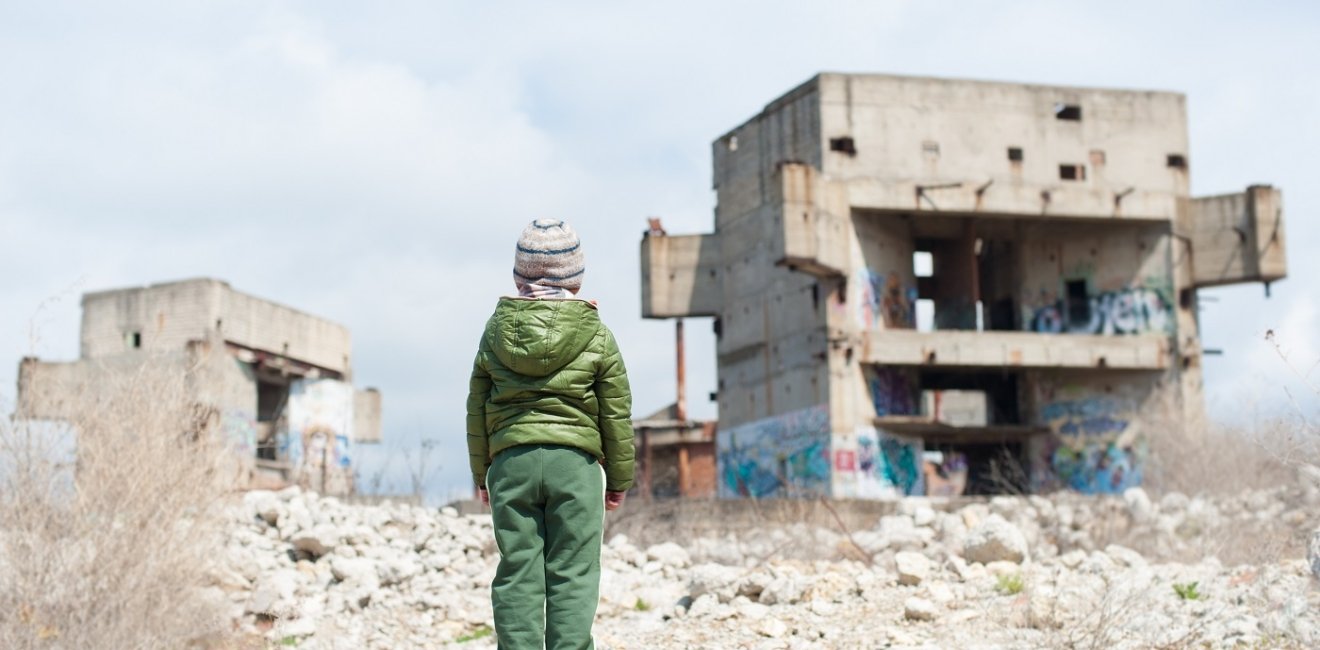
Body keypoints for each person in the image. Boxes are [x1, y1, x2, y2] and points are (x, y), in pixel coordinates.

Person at [466, 218, 634, 650]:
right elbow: (616, 414)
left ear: (519, 276)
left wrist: (480, 471)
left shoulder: (495, 330)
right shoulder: (597, 333)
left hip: (511, 464)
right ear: (575, 278)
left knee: (518, 569)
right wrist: (618, 480)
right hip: (575, 467)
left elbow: (477, 407)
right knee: (573, 572)